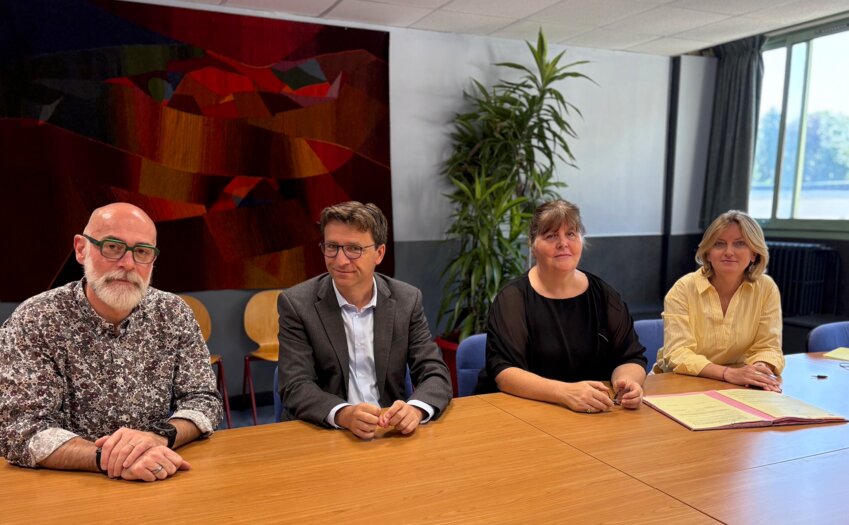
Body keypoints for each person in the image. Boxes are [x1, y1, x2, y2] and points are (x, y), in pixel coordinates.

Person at [0, 203, 222, 481]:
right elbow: (22, 430)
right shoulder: (36, 319)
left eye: (142, 251)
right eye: (113, 247)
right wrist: (108, 458)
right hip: (66, 486)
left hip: (156, 472)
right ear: (81, 249)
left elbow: (204, 400)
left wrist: (157, 438)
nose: (128, 264)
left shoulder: (173, 313)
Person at [278, 201, 452, 439]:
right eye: (332, 247)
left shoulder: (407, 300)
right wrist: (344, 414)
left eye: (353, 249)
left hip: (389, 432)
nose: (340, 261)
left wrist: (416, 409)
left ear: (379, 253)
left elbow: (434, 373)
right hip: (324, 433)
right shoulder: (297, 304)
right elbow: (295, 385)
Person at [479, 199, 647, 413]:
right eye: (551, 236)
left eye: (571, 234)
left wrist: (627, 382)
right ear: (533, 246)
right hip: (524, 413)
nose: (563, 243)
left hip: (591, 413)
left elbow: (630, 356)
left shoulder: (604, 295)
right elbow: (504, 372)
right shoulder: (512, 299)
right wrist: (566, 393)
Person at [654, 210, 783, 391]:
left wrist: (760, 368)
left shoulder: (766, 288)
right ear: (707, 253)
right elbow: (678, 354)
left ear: (754, 253)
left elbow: (768, 347)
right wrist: (728, 374)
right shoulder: (683, 289)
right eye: (719, 244)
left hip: (739, 385)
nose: (728, 252)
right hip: (681, 384)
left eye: (740, 244)